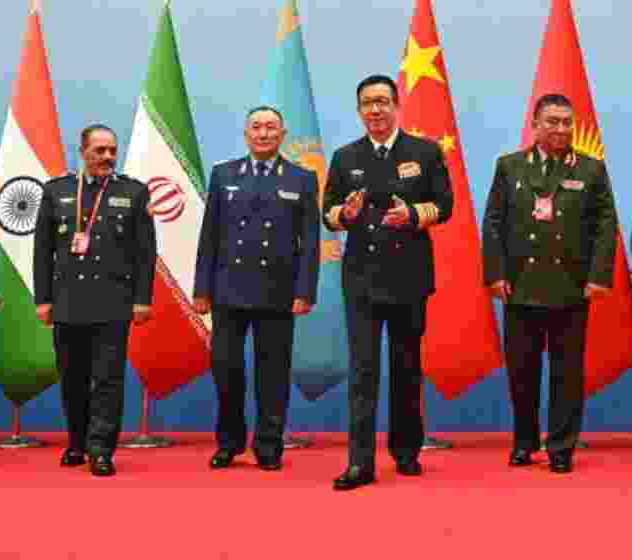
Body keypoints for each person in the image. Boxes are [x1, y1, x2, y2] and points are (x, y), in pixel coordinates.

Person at [323, 74, 453, 490]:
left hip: (409, 276)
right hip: (361, 279)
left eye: (382, 101)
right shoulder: (346, 157)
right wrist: (345, 214)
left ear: (397, 106)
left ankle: (406, 450)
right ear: (359, 110)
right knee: (363, 372)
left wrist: (413, 216)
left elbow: (446, 205)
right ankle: (360, 463)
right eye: (367, 103)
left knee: (406, 367)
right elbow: (326, 210)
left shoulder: (424, 152)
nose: (375, 109)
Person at [481, 93, 617, 473]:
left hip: (571, 288)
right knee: (521, 373)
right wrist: (494, 274)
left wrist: (598, 276)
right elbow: (492, 223)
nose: (561, 129)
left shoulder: (591, 169)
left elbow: (606, 226)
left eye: (566, 122)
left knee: (567, 373)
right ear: (535, 125)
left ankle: (561, 448)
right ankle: (524, 442)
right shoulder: (509, 166)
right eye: (553, 121)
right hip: (521, 286)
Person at [193, 106, 320, 471]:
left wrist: (305, 291)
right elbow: (209, 237)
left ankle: (269, 445)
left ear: (283, 135)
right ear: (246, 134)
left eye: (271, 128)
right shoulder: (224, 174)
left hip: (277, 291)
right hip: (227, 290)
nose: (263, 134)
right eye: (256, 127)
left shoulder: (301, 178)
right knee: (227, 370)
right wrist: (202, 288)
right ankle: (229, 442)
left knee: (273, 373)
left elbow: (310, 242)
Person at [32, 124, 156, 477]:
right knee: (72, 377)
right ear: (83, 151)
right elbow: (42, 250)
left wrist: (142, 299)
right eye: (100, 151)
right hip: (67, 300)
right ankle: (77, 441)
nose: (107, 157)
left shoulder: (133, 192)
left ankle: (101, 449)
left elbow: (145, 253)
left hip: (112, 301)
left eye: (112, 151)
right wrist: (43, 299)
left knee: (107, 379)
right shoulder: (57, 190)